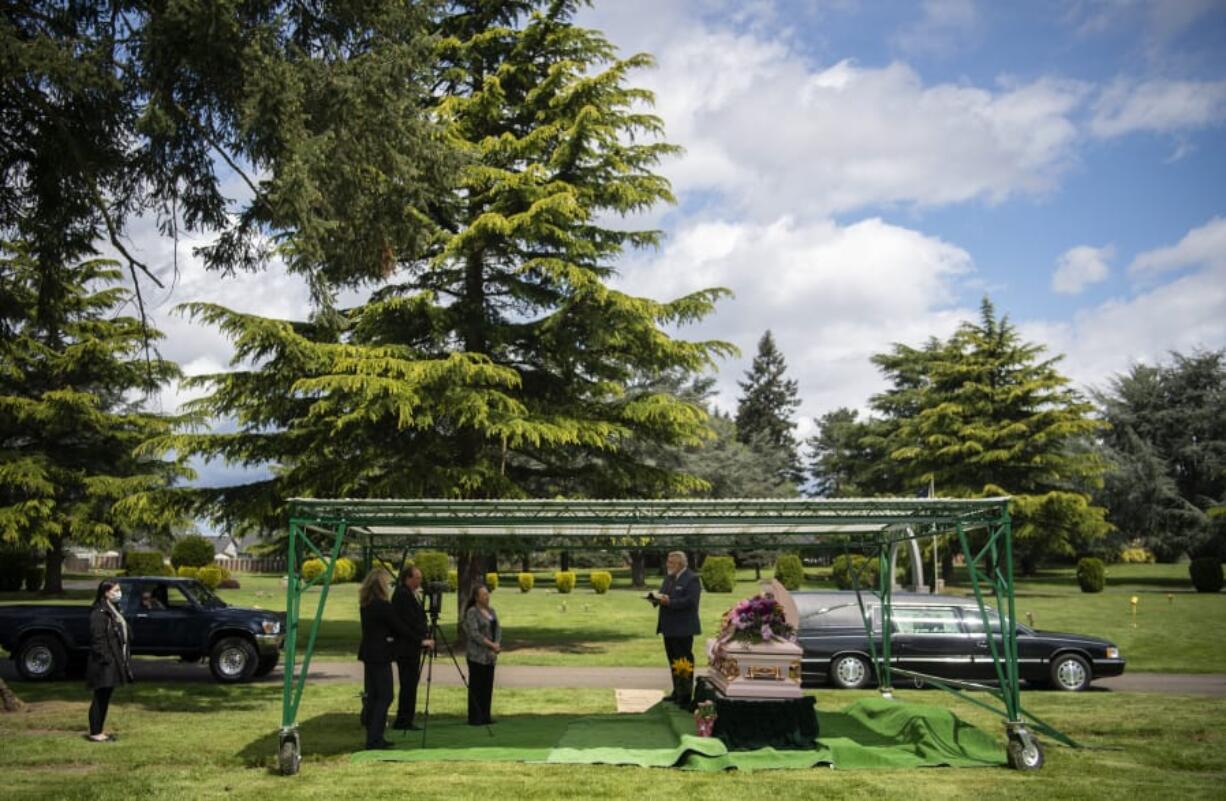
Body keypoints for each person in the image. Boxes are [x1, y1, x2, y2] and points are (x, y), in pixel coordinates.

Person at [357, 567, 414, 750]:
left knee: (374, 696)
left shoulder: (366, 605)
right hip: (381, 655)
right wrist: (421, 640)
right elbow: (399, 627)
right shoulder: (383, 606)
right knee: (385, 696)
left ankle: (373, 736)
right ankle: (375, 737)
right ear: (381, 585)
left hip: (369, 653)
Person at [85, 580, 133, 742]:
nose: (119, 593)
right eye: (116, 590)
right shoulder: (99, 613)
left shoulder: (113, 610)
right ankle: (95, 732)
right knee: (100, 697)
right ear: (106, 592)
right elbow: (97, 639)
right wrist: (106, 658)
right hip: (104, 663)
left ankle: (99, 730)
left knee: (105, 697)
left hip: (113, 660)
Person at [651, 551, 702, 704]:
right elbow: (663, 595)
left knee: (683, 661)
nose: (668, 564)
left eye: (671, 562)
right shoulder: (669, 578)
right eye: (668, 561)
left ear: (680, 564)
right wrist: (655, 598)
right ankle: (677, 692)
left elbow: (691, 602)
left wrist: (670, 602)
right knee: (673, 660)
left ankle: (685, 696)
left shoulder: (692, 579)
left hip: (683, 629)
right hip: (669, 628)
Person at [390, 566, 434, 730]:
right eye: (417, 578)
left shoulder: (411, 594)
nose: (419, 582)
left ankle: (407, 717)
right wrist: (420, 639)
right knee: (408, 684)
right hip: (406, 648)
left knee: (410, 684)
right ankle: (403, 720)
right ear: (408, 578)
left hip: (412, 647)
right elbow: (407, 623)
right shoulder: (402, 595)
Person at [462, 584, 500, 726]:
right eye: (483, 594)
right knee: (477, 686)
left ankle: (486, 715)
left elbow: (498, 628)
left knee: (487, 686)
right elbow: (474, 633)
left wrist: (496, 643)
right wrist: (490, 644)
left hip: (490, 656)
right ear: (477, 597)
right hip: (476, 655)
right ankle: (475, 717)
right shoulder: (472, 612)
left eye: (487, 594)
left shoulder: (491, 611)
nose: (487, 596)